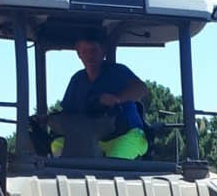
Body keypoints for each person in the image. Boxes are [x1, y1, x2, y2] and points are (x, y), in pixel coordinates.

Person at [53, 27, 149, 159]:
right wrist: (48, 120)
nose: (89, 56)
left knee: (113, 165)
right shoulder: (77, 80)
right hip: (92, 138)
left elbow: (141, 88)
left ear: (103, 51)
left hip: (126, 134)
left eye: (93, 51)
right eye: (85, 51)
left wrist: (117, 98)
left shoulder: (117, 71)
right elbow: (67, 113)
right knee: (57, 144)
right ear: (79, 53)